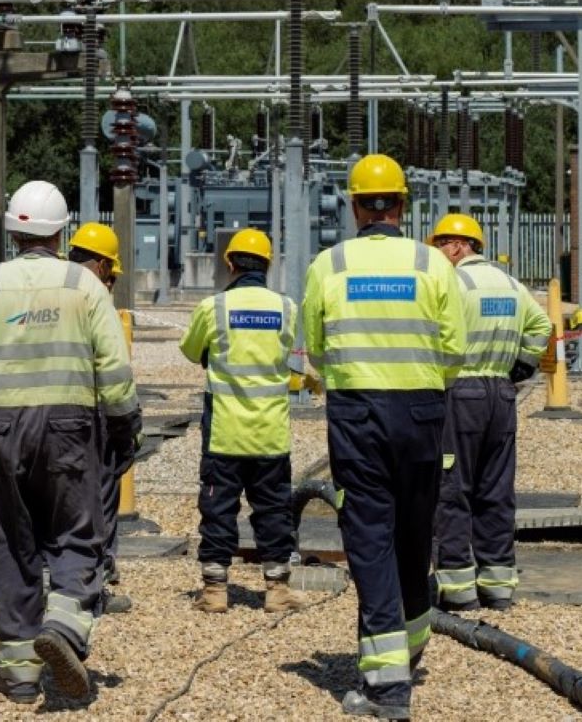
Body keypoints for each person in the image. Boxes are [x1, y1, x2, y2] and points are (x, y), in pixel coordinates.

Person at [0, 182, 140, 705]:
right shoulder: (84, 286)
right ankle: (66, 624)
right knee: (77, 532)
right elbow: (114, 368)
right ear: (60, 230)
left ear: (13, 230)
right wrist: (123, 426)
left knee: (13, 542)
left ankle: (21, 674)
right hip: (69, 428)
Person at [302, 155, 463, 721]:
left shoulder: (330, 264)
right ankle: (412, 639)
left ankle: (388, 688)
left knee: (369, 535)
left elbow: (315, 350)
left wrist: (352, 380)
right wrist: (421, 388)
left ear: (353, 207)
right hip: (422, 409)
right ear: (402, 204)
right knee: (416, 529)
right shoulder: (432, 263)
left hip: (357, 411)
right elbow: (453, 350)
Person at [427, 214, 551, 613]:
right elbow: (542, 324)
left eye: (441, 245)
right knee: (495, 489)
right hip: (501, 392)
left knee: (453, 489)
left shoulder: (453, 283)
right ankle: (498, 585)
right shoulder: (511, 284)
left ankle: (458, 587)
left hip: (460, 391)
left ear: (460, 246)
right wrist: (523, 365)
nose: (438, 253)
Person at [180, 228, 304, 616]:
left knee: (218, 508)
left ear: (230, 264)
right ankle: (277, 589)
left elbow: (190, 351)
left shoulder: (213, 307)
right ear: (267, 265)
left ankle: (216, 591)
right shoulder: (287, 308)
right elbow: (292, 361)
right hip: (270, 432)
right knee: (273, 508)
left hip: (224, 432)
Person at [68, 220, 135, 616]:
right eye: (111, 272)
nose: (111, 281)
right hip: (92, 417)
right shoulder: (95, 297)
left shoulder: (51, 289)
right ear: (102, 266)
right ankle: (96, 585)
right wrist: (126, 422)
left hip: (42, 417)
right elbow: (113, 368)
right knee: (100, 502)